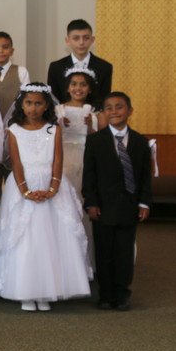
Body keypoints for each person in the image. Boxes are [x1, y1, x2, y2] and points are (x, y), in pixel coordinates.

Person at [0, 84, 92, 312]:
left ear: (46, 105)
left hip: (51, 183)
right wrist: (26, 191)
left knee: (51, 237)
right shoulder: (14, 129)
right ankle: (25, 290)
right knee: (26, 238)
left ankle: (47, 291)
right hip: (23, 186)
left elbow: (58, 161)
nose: (33, 108)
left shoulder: (54, 129)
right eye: (29, 103)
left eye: (38, 103)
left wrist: (52, 189)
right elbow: (16, 162)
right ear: (22, 105)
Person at [83, 91, 152, 311]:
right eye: (109, 108)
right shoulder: (95, 141)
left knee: (124, 252)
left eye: (119, 107)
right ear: (103, 113)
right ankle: (106, 294)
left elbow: (144, 176)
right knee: (104, 253)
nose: (114, 112)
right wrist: (91, 203)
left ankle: (122, 293)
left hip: (129, 207)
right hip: (103, 207)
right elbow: (89, 175)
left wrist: (144, 203)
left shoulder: (141, 142)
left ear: (129, 111)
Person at [57, 67, 105, 197]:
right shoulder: (58, 110)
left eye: (83, 85)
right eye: (74, 84)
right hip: (63, 155)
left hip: (85, 156)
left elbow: (100, 140)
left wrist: (89, 127)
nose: (78, 88)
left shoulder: (95, 113)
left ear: (89, 89)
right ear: (67, 88)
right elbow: (49, 136)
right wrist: (59, 125)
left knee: (82, 189)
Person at [47, 19, 113, 105]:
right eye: (76, 38)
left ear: (92, 40)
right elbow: (54, 98)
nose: (81, 42)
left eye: (86, 38)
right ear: (68, 40)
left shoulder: (104, 67)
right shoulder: (56, 67)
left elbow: (104, 98)